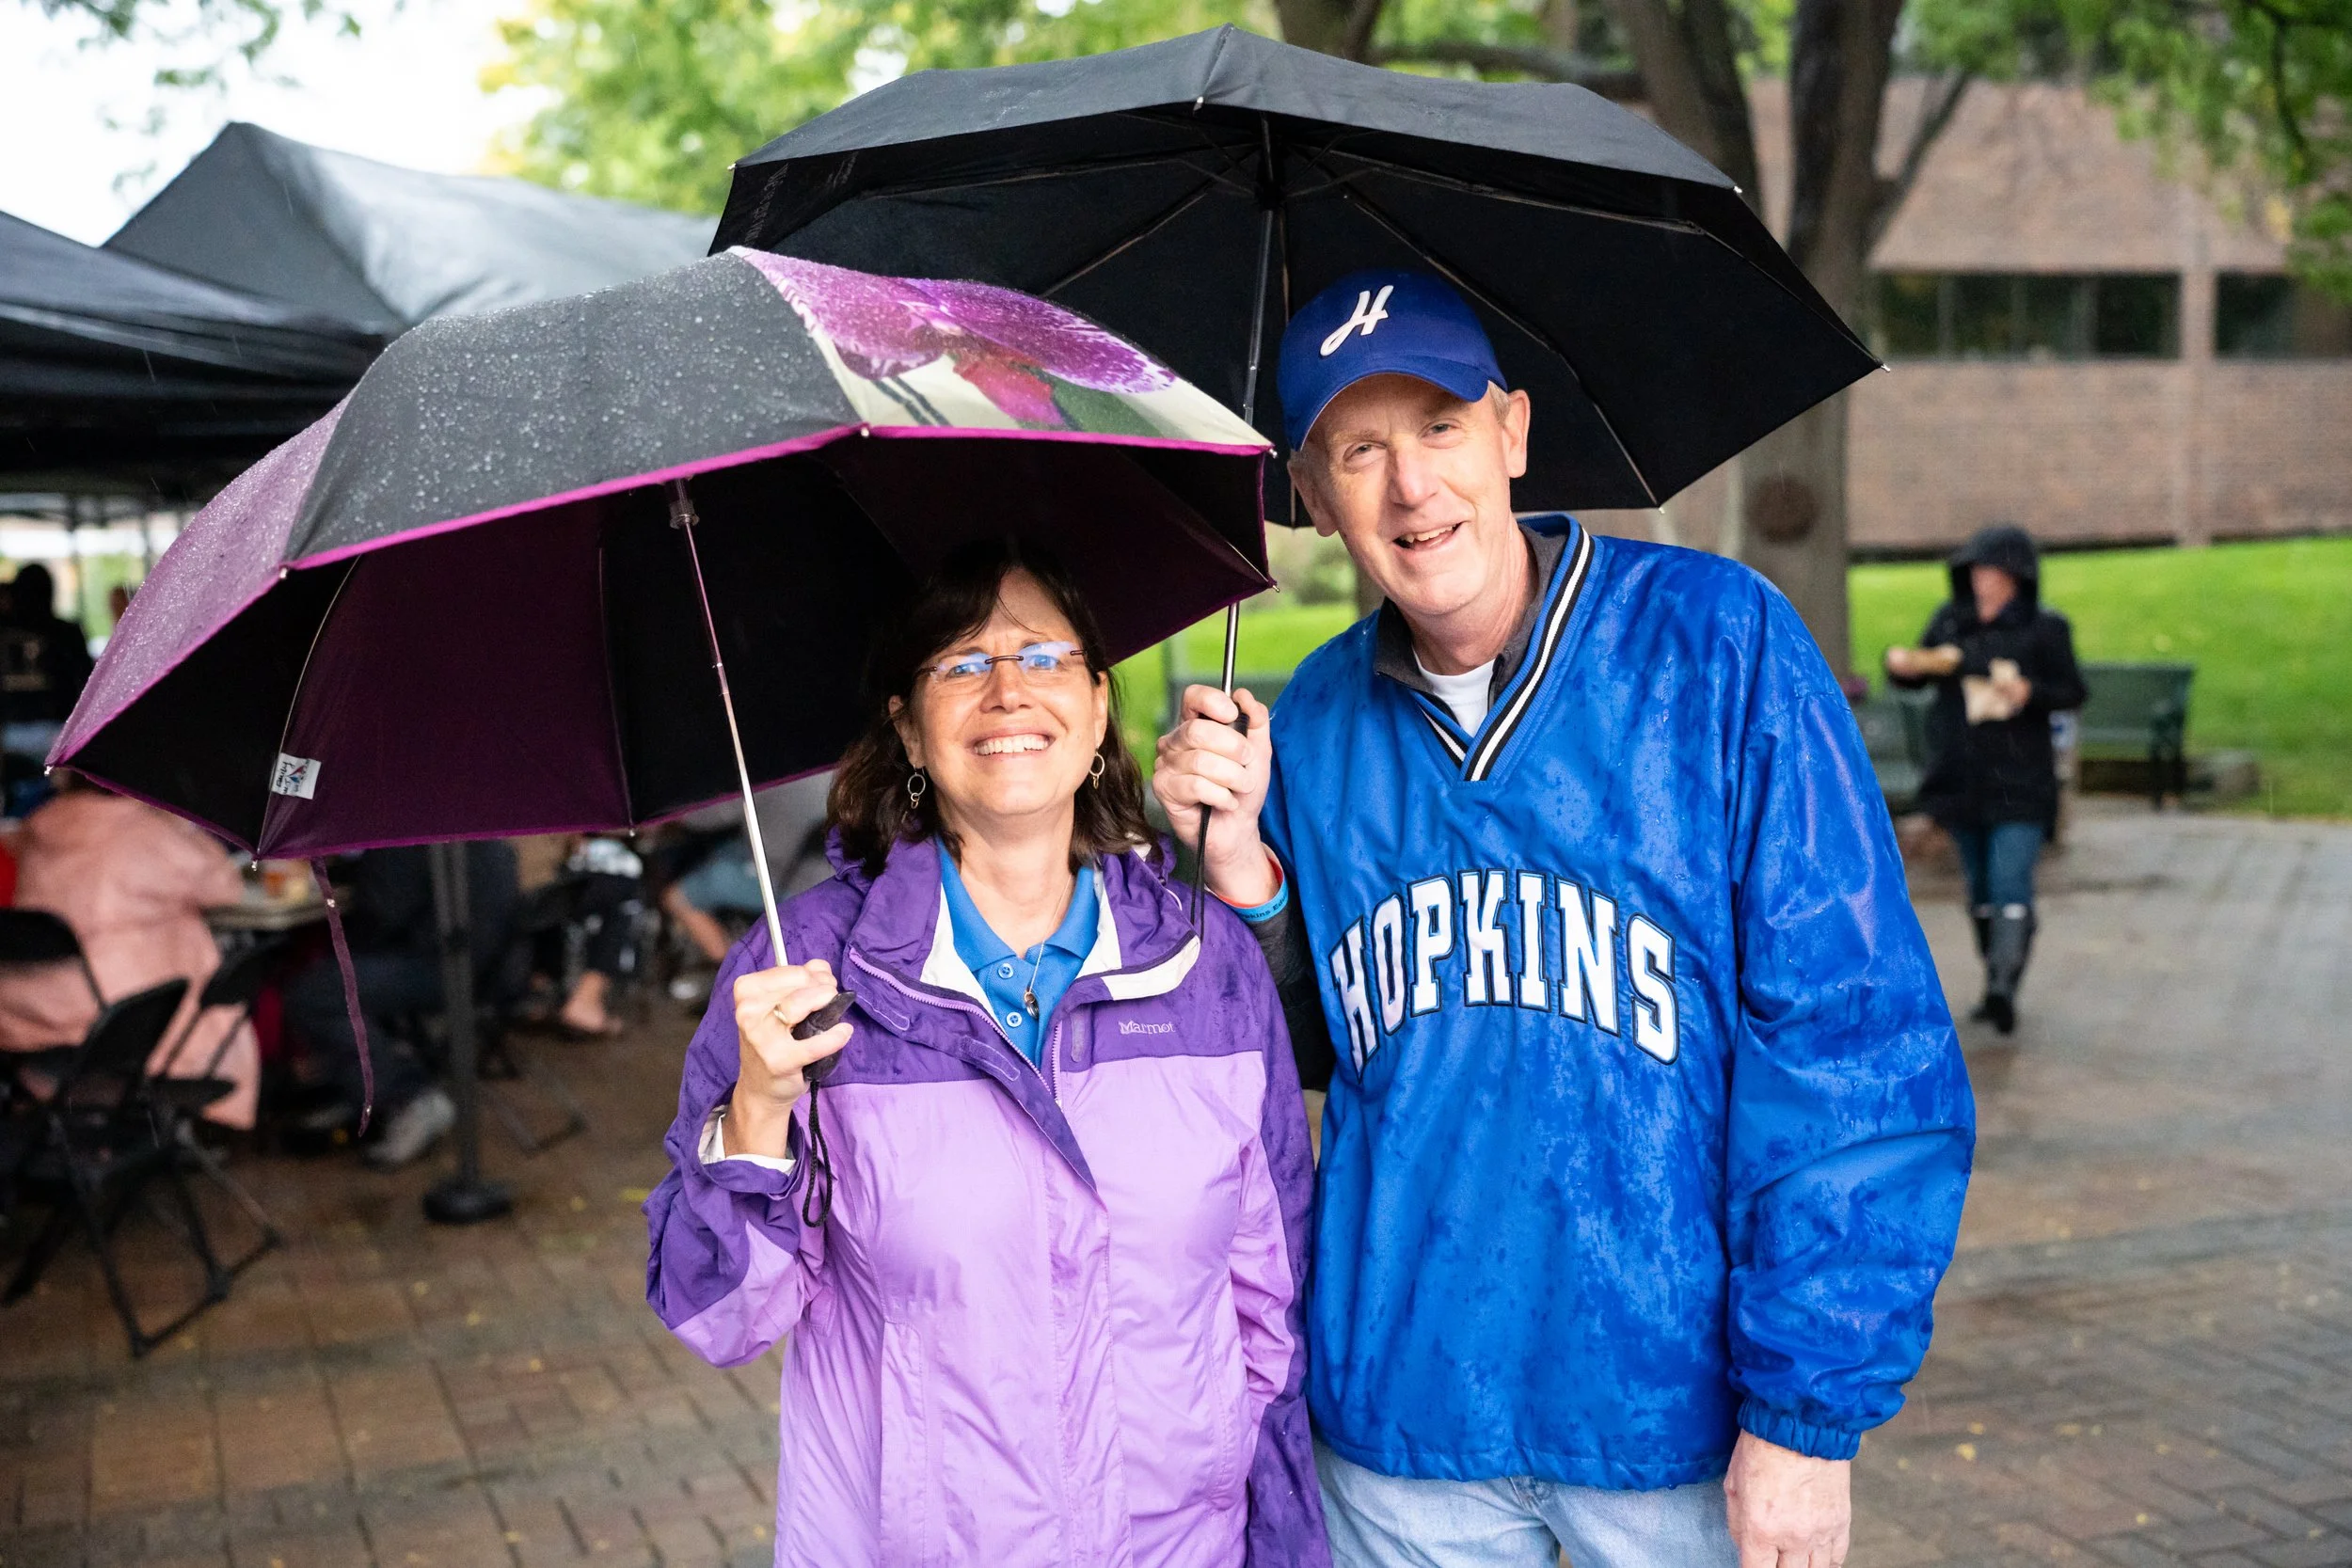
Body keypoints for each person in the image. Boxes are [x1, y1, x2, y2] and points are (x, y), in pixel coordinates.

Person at [1153, 270, 1975, 1568]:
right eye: (1358, 450)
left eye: (1439, 425)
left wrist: (1808, 1413)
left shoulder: (1721, 648)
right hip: (1404, 1438)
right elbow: (1293, 1057)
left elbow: (1854, 1046)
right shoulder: (1303, 723)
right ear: (1310, 497)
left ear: (1515, 431)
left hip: (1674, 1435)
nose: (1412, 486)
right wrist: (1239, 866)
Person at [644, 541, 1325, 1567]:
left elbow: (1272, 1319)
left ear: (1098, 708)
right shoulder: (805, 971)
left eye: (1044, 656)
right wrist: (755, 1114)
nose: (1007, 690)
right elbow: (718, 1313)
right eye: (960, 665)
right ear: (908, 730)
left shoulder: (1205, 962)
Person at [1884, 524, 2086, 1033]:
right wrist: (1905, 668)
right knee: (1978, 890)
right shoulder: (1952, 622)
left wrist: (2028, 692)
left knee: (2010, 880)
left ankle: (2003, 987)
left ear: (2018, 577)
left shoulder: (2044, 628)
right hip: (1960, 777)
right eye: (1976, 572)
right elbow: (1922, 668)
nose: (1983, 582)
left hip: (2020, 780)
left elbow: (2072, 691)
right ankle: (1994, 969)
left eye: (1993, 572)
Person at [0, 773, 259, 1127]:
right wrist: (176, 821)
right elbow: (224, 887)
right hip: (122, 1016)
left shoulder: (38, 825)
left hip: (21, 1008)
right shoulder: (149, 830)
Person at [281, 841, 519, 1167]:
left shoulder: (405, 837)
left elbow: (379, 913)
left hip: (437, 971)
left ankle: (404, 1096)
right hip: (488, 974)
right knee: (336, 983)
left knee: (314, 995)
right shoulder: (490, 836)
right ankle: (363, 1088)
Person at [0, 564, 96, 759]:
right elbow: (87, 684)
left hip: (9, 728)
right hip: (57, 729)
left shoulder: (5, 630)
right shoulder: (66, 632)